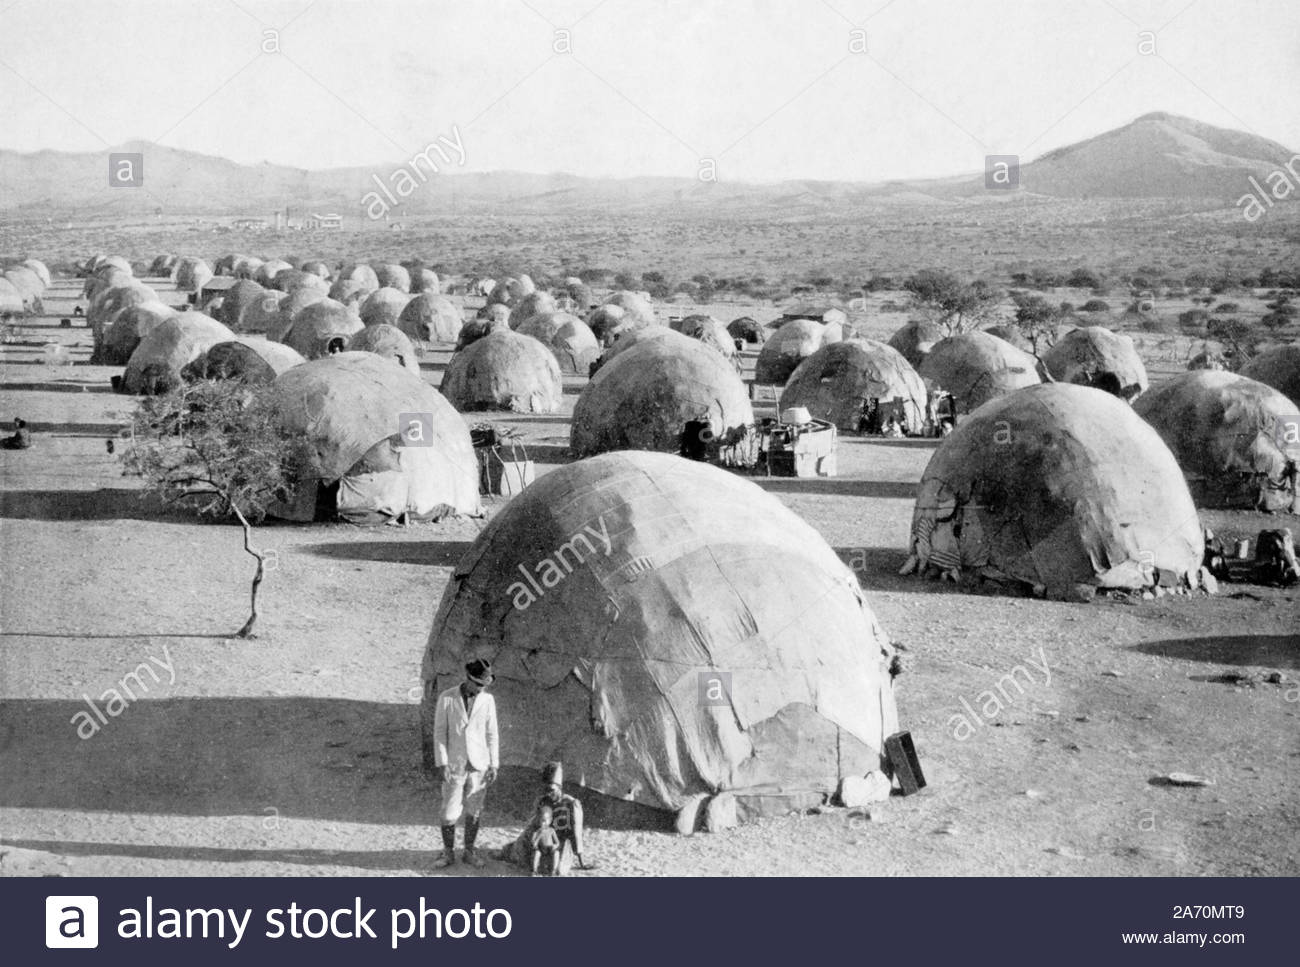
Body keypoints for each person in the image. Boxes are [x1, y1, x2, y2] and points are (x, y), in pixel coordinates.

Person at [431, 658, 499, 868]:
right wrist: (443, 763)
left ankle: (469, 851)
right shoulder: (447, 698)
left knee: (474, 809)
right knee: (449, 811)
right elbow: (440, 733)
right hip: (455, 764)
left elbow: (492, 733)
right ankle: (448, 852)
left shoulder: (487, 700)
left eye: (484, 685)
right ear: (468, 678)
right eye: (478, 684)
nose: (480, 689)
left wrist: (494, 764)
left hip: (479, 764)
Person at [501, 761, 593, 874]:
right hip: (544, 840)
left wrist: (581, 862)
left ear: (559, 787)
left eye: (551, 790)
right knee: (524, 857)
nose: (549, 794)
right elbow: (533, 826)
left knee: (557, 869)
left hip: (561, 843)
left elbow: (577, 834)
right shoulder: (543, 800)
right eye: (546, 790)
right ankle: (508, 851)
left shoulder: (571, 804)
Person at [530, 805, 561, 877]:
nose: (542, 823)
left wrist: (555, 845)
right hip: (541, 848)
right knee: (536, 853)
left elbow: (557, 842)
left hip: (550, 848)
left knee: (556, 853)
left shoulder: (551, 830)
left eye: (544, 821)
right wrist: (539, 836)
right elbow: (534, 843)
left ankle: (554, 870)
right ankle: (534, 870)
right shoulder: (537, 831)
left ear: (550, 820)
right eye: (541, 821)